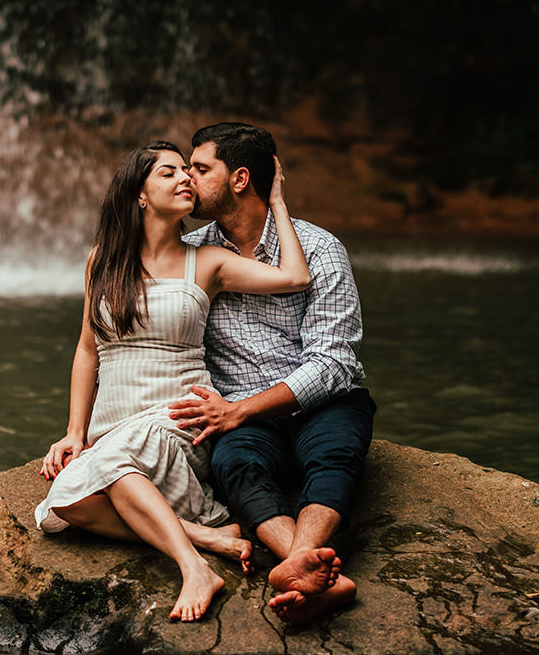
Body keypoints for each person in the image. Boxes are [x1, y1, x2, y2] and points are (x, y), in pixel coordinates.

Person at [34, 141, 311, 622]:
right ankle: (203, 536)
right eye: (169, 173)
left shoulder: (205, 262)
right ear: (139, 194)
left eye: (188, 170)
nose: (186, 178)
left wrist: (279, 203)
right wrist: (75, 432)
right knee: (71, 499)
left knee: (104, 473)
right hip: (114, 424)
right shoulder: (102, 260)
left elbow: (295, 277)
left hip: (181, 416)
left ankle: (193, 567)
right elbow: (87, 349)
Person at [170, 122, 376, 623]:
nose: (188, 179)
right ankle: (307, 571)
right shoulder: (191, 253)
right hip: (242, 416)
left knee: (336, 453)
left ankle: (294, 564)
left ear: (240, 178)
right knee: (234, 466)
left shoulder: (320, 248)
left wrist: (239, 409)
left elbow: (333, 362)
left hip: (319, 403)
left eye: (200, 168)